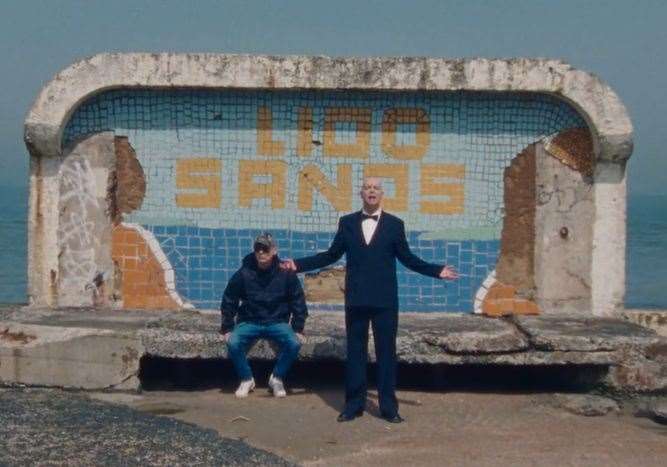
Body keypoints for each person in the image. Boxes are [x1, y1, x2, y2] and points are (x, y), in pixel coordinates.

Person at [282, 177, 457, 423]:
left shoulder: (395, 225)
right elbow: (330, 255)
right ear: (361, 193)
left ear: (382, 193)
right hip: (356, 299)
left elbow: (408, 258)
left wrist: (436, 270)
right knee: (355, 354)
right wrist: (297, 265)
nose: (371, 191)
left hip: (385, 300)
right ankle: (353, 405)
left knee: (387, 354)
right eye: (367, 187)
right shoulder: (347, 223)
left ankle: (389, 407)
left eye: (376, 188)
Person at [220, 232, 307, 398]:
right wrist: (227, 327)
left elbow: (298, 300)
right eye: (257, 248)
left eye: (265, 249)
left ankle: (277, 378)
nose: (261, 252)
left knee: (294, 343)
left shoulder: (286, 274)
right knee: (233, 342)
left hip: (277, 322)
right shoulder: (244, 273)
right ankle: (246, 379)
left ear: (274, 250)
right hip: (250, 321)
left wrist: (298, 327)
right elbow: (229, 298)